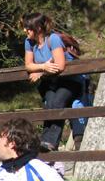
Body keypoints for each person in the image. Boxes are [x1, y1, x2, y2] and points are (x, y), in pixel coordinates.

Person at [22, 12, 85, 154]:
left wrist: (40, 72)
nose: (25, 30)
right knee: (49, 105)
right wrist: (43, 67)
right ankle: (46, 142)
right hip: (51, 81)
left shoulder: (53, 39)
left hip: (70, 81)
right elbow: (28, 65)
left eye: (28, 27)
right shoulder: (29, 42)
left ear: (38, 28)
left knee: (56, 103)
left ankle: (50, 142)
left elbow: (60, 65)